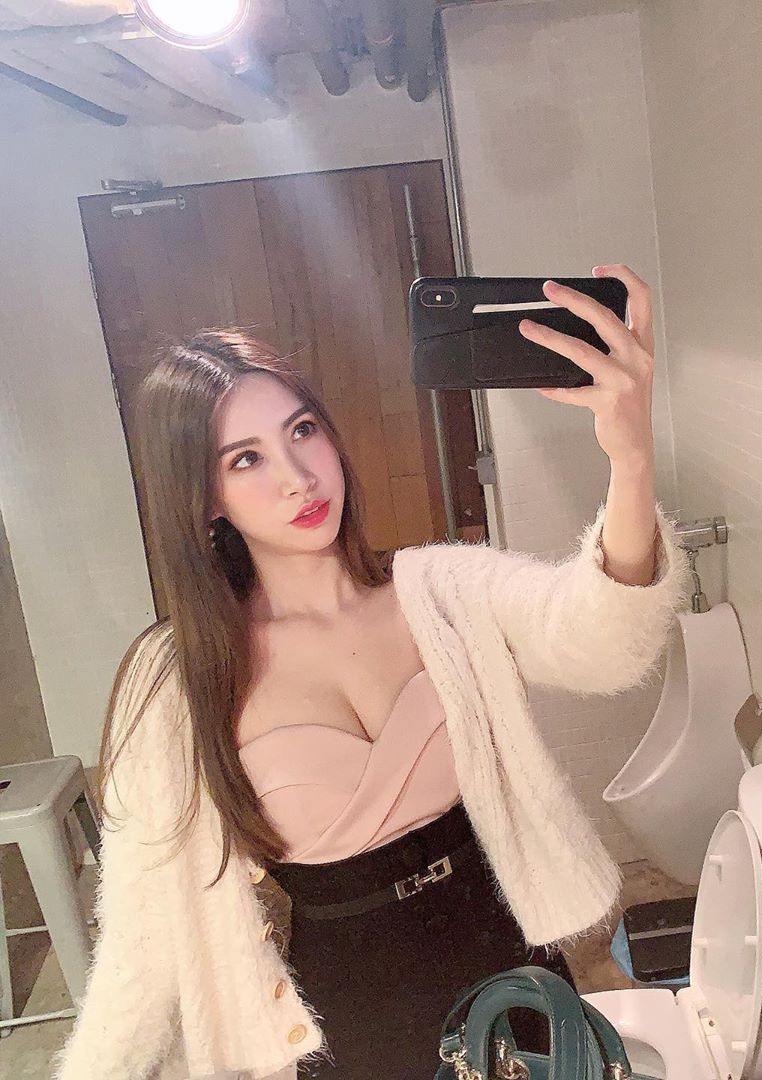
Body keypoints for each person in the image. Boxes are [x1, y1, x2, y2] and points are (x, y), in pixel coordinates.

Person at [51, 265, 691, 1080]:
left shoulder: (441, 591)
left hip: (510, 970)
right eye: (245, 459)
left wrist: (631, 460)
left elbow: (603, 642)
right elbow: (140, 942)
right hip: (349, 1022)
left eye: (302, 431)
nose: (297, 477)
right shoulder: (178, 680)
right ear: (204, 498)